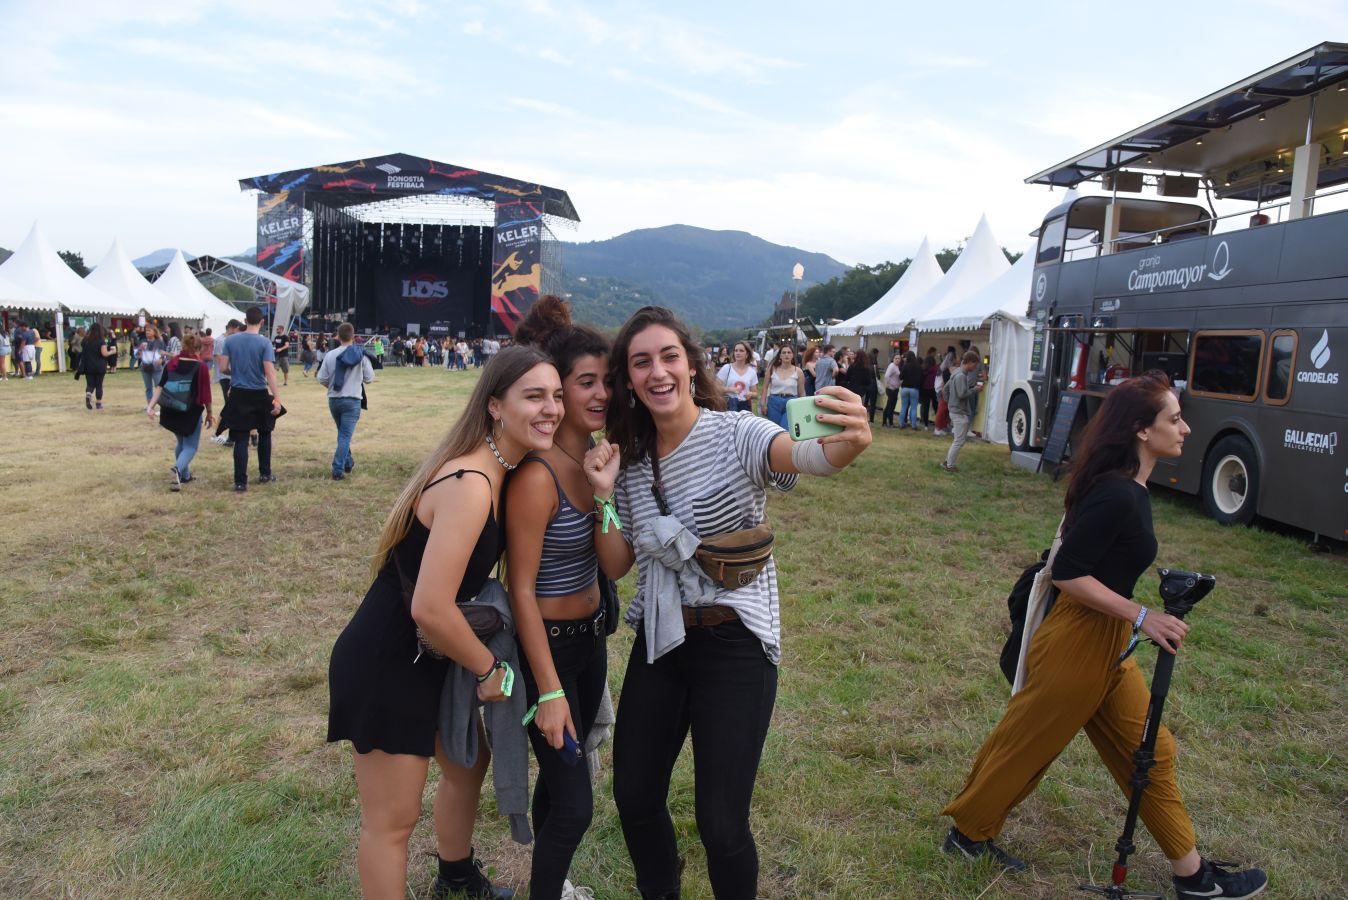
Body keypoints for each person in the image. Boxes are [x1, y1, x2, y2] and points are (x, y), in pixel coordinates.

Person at [941, 372, 1269, 900]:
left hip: (1109, 639)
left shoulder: (1128, 487)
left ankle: (1192, 876)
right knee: (1027, 744)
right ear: (1142, 429)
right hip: (1078, 640)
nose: (1185, 428)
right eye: (1174, 419)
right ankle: (967, 834)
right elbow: (1069, 571)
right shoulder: (1118, 493)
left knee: (1151, 751)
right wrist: (1143, 616)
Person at [585, 305, 872, 899]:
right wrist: (604, 496)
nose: (657, 372)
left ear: (691, 365)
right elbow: (616, 565)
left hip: (735, 642)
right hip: (662, 640)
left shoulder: (736, 431)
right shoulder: (629, 460)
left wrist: (848, 443)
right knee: (634, 795)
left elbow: (804, 456)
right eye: (641, 362)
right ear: (628, 379)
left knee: (720, 823)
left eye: (669, 356)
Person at [328, 345, 561, 900]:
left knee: (466, 764)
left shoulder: (503, 472)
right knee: (393, 820)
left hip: (431, 653)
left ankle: (456, 879)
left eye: (555, 395)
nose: (551, 408)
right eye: (534, 396)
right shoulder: (472, 483)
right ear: (495, 406)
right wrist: (490, 669)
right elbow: (429, 608)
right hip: (390, 660)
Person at [506, 296, 612, 900]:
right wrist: (546, 690)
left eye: (608, 382)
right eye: (587, 382)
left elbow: (613, 562)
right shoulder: (536, 475)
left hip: (590, 643)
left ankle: (554, 882)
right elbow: (520, 589)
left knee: (556, 784)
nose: (601, 394)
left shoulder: (597, 459)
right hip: (544, 652)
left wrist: (605, 496)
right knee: (575, 805)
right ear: (560, 390)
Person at [219, 307, 283, 492]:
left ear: (245, 320)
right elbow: (269, 372)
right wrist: (277, 398)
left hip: (238, 393)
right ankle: (265, 473)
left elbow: (223, 368)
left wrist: (236, 373)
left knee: (240, 438)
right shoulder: (264, 343)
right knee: (265, 432)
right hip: (258, 392)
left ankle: (240, 482)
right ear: (262, 322)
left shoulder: (230, 341)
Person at [146, 333, 214, 491]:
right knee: (190, 446)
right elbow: (206, 394)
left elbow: (160, 386)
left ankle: (184, 476)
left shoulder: (172, 364)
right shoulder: (201, 367)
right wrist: (210, 412)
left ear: (182, 346)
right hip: (190, 412)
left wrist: (151, 406)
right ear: (199, 349)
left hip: (170, 409)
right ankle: (177, 469)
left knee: (181, 443)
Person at [318, 323, 376, 481]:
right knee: (345, 435)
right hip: (352, 400)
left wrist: (332, 387)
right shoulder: (360, 355)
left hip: (334, 400)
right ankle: (338, 469)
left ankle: (348, 462)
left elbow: (322, 378)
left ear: (338, 336)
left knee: (342, 434)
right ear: (353, 335)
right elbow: (369, 378)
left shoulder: (330, 355)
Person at [941, 351, 984, 472]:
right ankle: (949, 465)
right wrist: (975, 389)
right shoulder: (961, 376)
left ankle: (947, 462)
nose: (975, 368)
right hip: (959, 411)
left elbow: (945, 389)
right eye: (975, 365)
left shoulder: (956, 373)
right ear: (969, 362)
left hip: (955, 410)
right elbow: (962, 394)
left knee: (957, 440)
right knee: (959, 441)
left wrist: (949, 402)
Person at [759, 343, 803, 429]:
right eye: (784, 352)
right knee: (774, 429)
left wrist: (802, 406)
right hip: (774, 401)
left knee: (785, 428)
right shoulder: (772, 369)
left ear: (793, 355)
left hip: (791, 402)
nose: (786, 355)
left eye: (789, 352)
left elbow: (801, 392)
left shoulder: (798, 371)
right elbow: (765, 388)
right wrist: (763, 404)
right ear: (780, 355)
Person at [79, 323, 117, 410]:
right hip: (100, 366)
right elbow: (104, 353)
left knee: (90, 384)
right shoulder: (101, 341)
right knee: (99, 385)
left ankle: (88, 394)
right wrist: (112, 352)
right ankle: (98, 404)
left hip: (88, 365)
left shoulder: (85, 340)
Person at [715, 341, 758, 413]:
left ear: (747, 354)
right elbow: (715, 388)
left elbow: (755, 393)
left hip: (744, 406)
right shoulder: (727, 368)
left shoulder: (752, 372)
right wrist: (729, 389)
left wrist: (750, 394)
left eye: (741, 351)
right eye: (736, 350)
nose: (738, 353)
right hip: (728, 404)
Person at [841, 346, 878, 424]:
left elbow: (847, 378)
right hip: (861, 390)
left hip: (852, 389)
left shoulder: (852, 366)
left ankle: (848, 420)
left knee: (850, 406)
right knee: (859, 406)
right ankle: (857, 421)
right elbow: (868, 381)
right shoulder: (866, 368)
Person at [138, 325, 167, 403]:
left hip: (156, 367)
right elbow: (137, 354)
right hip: (145, 366)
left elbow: (164, 353)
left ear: (154, 332)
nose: (147, 332)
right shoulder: (143, 341)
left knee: (158, 386)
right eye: (146, 331)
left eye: (149, 330)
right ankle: (150, 405)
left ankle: (161, 404)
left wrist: (161, 360)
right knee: (148, 387)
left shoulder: (159, 342)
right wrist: (140, 350)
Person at [899, 350, 923, 430]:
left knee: (903, 407)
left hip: (905, 388)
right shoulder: (918, 366)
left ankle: (901, 424)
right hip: (914, 389)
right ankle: (913, 425)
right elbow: (921, 378)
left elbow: (901, 377)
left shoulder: (905, 365)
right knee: (913, 407)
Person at [881, 352, 902, 427]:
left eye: (899, 358)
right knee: (891, 406)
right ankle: (890, 423)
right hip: (891, 389)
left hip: (894, 389)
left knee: (889, 405)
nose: (897, 360)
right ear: (893, 359)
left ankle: (885, 422)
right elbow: (886, 376)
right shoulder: (892, 366)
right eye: (896, 358)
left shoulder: (896, 366)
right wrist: (892, 385)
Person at [920, 352, 940, 430]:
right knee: (936, 407)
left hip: (924, 389)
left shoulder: (923, 368)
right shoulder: (935, 369)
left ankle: (926, 425)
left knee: (926, 407)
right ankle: (938, 424)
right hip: (933, 389)